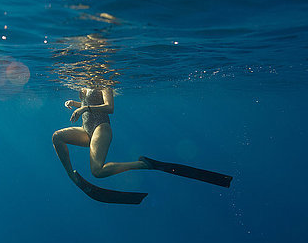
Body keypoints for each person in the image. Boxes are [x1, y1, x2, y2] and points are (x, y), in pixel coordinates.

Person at [52, 87, 233, 204]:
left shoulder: (105, 81)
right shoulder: (84, 82)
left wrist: (84, 108)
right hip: (86, 128)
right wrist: (75, 104)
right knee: (57, 137)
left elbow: (109, 107)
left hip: (101, 128)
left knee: (97, 172)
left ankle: (142, 164)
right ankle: (71, 175)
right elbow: (88, 103)